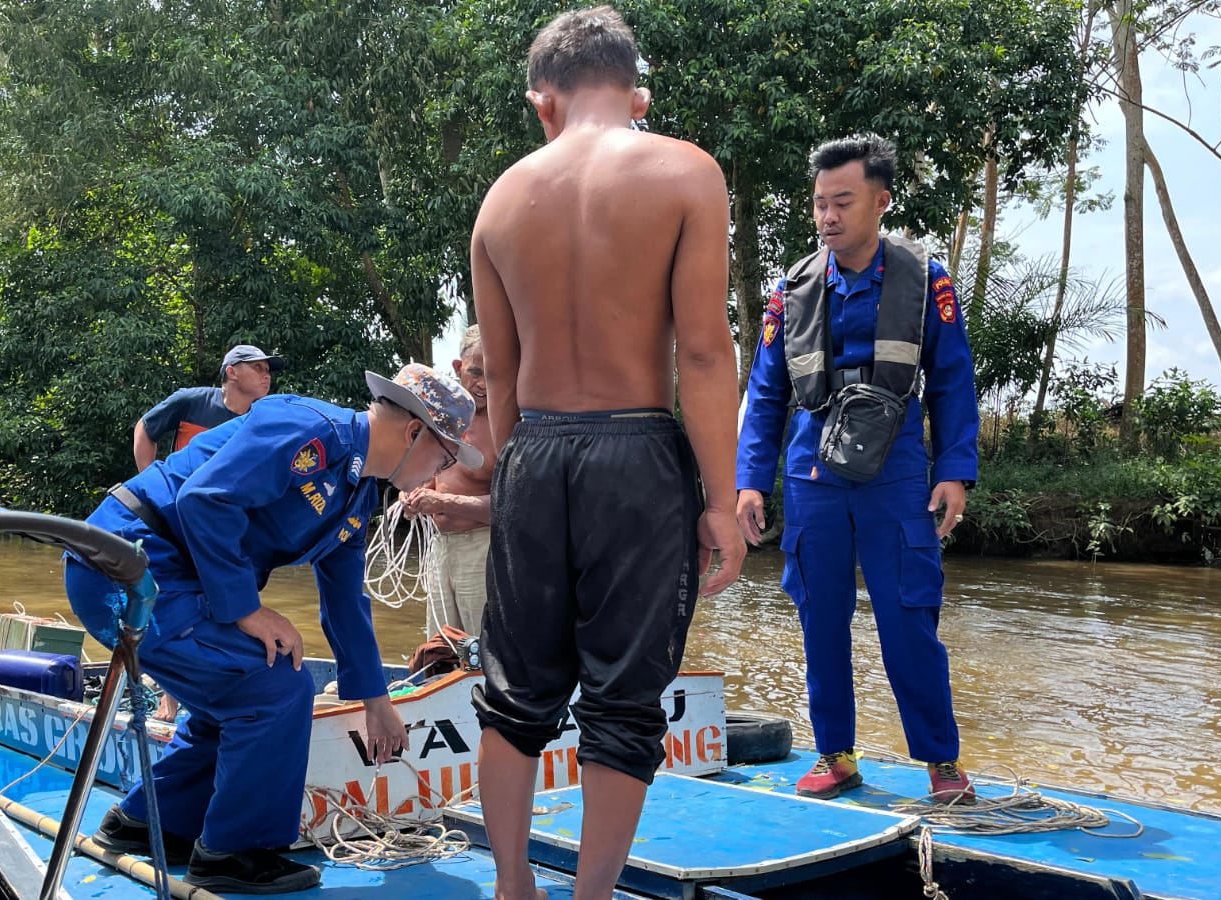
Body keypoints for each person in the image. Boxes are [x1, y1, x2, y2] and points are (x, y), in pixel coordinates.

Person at [468, 8, 745, 900]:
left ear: (541, 102)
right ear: (637, 94)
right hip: (637, 454)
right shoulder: (683, 170)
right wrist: (720, 498)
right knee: (623, 704)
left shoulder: (502, 199)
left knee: (512, 696)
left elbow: (500, 378)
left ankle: (513, 886)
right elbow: (703, 352)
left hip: (535, 451)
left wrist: (516, 490)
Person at [64, 363, 481, 894]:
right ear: (414, 431)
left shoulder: (356, 494)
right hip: (126, 569)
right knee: (274, 688)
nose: (437, 475)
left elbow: (346, 599)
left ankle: (151, 823)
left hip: (171, 579)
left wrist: (377, 702)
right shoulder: (307, 428)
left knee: (245, 683)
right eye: (442, 458)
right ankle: (234, 853)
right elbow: (204, 499)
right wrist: (246, 610)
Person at [735, 133, 981, 805]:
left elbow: (954, 379)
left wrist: (955, 470)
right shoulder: (792, 288)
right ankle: (836, 756)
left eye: (842, 201)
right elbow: (766, 391)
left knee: (909, 619)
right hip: (814, 471)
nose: (827, 216)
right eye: (819, 204)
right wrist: (750, 481)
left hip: (897, 470)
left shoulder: (925, 278)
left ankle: (942, 765)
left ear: (882, 201)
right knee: (821, 617)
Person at [400, 326, 495, 636]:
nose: (482, 385)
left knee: (484, 649)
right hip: (440, 546)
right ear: (458, 368)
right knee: (439, 647)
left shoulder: (507, 423)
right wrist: (415, 495)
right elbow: (433, 476)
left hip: (483, 548)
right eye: (475, 372)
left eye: (491, 374)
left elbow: (512, 506)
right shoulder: (443, 416)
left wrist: (441, 502)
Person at [132, 344, 285, 470]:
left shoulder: (264, 420)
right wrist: (150, 484)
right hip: (180, 501)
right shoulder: (193, 400)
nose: (266, 376)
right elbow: (145, 428)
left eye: (267, 370)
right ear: (232, 372)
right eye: (257, 367)